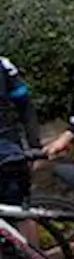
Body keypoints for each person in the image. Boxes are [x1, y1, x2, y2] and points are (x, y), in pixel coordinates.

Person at [0, 56, 41, 242]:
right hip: (9, 146)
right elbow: (25, 107)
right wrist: (34, 147)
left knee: (20, 212)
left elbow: (25, 106)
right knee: (21, 213)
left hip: (7, 149)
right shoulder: (3, 63)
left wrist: (34, 147)